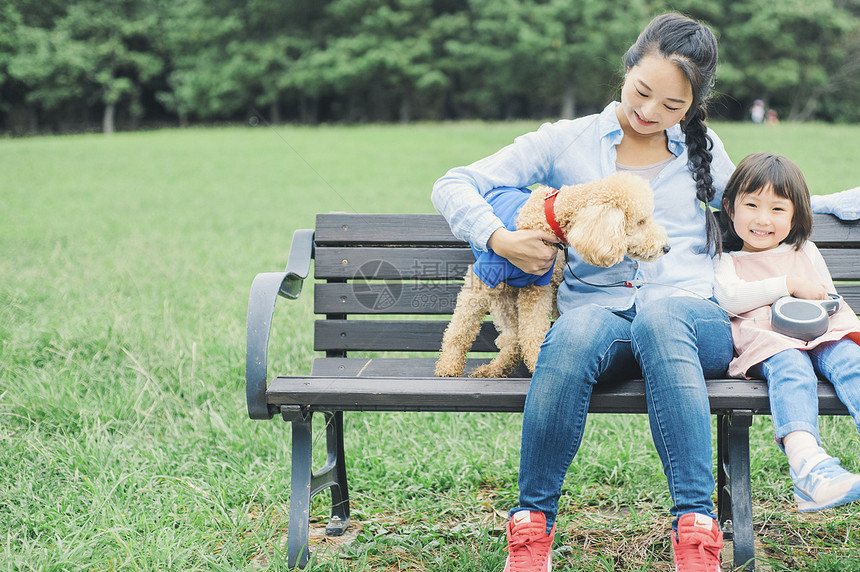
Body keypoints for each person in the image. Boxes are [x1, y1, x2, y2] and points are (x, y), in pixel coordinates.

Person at [432, 13, 735, 572]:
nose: (649, 113)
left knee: (663, 317)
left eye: (672, 107)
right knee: (571, 333)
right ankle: (531, 533)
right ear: (626, 67)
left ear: (693, 107)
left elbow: (768, 207)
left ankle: (696, 535)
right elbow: (454, 183)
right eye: (642, 92)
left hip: (695, 322)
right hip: (603, 316)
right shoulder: (565, 140)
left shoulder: (706, 149)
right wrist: (501, 237)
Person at [713, 152, 860, 512]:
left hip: (820, 330)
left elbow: (829, 296)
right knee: (792, 368)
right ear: (731, 209)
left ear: (795, 215)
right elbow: (729, 297)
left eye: (778, 209)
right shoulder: (727, 259)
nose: (763, 220)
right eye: (752, 205)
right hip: (771, 343)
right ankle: (808, 467)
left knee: (851, 360)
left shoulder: (804, 250)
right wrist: (787, 285)